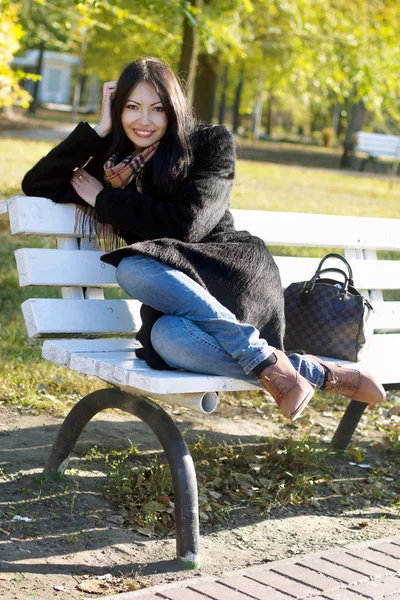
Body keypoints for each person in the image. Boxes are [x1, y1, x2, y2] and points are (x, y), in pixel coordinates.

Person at [22, 57, 385, 420]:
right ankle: (309, 373)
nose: (143, 121)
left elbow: (188, 227)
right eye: (131, 108)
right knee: (165, 338)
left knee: (132, 268)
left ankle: (263, 358)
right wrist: (99, 127)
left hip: (229, 271)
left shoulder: (209, 143)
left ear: (174, 110)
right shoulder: (111, 161)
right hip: (180, 301)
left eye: (156, 109)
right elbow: (37, 183)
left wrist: (105, 200)